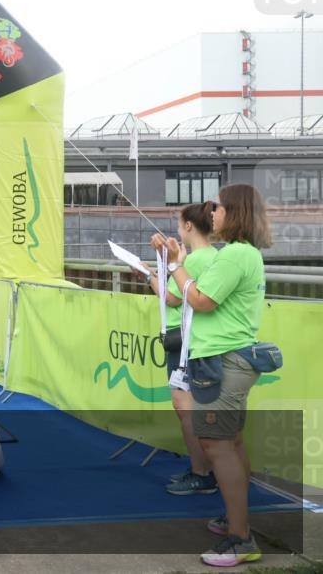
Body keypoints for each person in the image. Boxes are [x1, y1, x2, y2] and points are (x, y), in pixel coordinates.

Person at [153, 184, 272, 567]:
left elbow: (200, 301)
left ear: (233, 212)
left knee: (218, 445)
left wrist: (175, 265)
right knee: (230, 442)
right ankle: (235, 522)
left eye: (217, 206)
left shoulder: (235, 255)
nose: (212, 212)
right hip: (229, 359)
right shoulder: (242, 254)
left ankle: (241, 538)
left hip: (224, 360)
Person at [144, 203, 217, 495]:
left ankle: (202, 472)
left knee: (184, 406)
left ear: (189, 226)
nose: (176, 229)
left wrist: (147, 275)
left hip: (187, 342)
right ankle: (202, 468)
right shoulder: (209, 257)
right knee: (192, 408)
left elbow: (172, 297)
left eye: (178, 223)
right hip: (194, 340)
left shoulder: (198, 260)